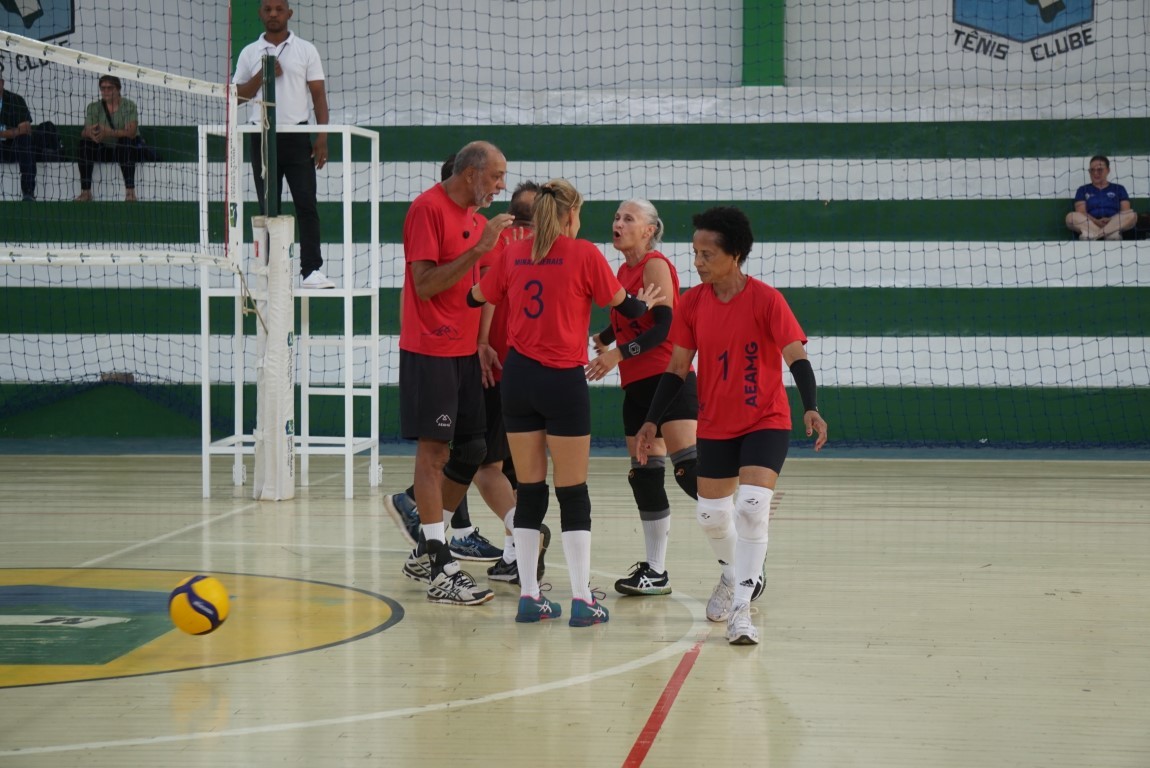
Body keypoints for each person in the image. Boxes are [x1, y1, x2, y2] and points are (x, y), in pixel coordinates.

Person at [467, 178, 664, 626]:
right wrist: (644, 302)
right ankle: (581, 600)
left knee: (530, 490)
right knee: (573, 493)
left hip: (518, 380)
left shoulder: (513, 253)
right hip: (562, 382)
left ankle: (529, 597)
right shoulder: (584, 254)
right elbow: (627, 308)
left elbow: (474, 296)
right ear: (571, 215)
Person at [634, 206, 828, 646]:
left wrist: (811, 407)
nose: (698, 262)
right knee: (711, 516)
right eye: (695, 253)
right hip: (716, 424)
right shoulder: (692, 304)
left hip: (765, 420)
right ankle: (733, 572)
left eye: (707, 255)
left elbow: (796, 357)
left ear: (735, 255)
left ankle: (742, 609)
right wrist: (650, 421)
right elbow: (677, 368)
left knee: (753, 508)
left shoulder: (766, 300)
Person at [393, 140, 514, 606]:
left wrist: (482, 342)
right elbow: (425, 285)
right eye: (496, 176)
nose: (500, 185)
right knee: (434, 454)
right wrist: (478, 249)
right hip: (431, 349)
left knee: (474, 448)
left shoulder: (479, 222)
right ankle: (441, 565)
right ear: (471, 173)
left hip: (464, 352)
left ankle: (427, 547)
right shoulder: (427, 209)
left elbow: (477, 289)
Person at [585, 199, 701, 597]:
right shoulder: (622, 271)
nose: (618, 222)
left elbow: (664, 327)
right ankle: (656, 571)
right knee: (645, 476)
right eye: (617, 216)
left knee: (688, 471)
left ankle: (744, 548)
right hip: (636, 386)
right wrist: (605, 336)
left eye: (628, 218)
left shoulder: (654, 265)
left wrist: (617, 353)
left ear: (649, 230)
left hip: (668, 379)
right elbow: (636, 316)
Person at [235, 0, 333, 289]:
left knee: (306, 203)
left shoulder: (306, 50)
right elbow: (237, 96)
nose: (274, 14)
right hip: (262, 136)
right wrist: (262, 76)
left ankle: (311, 270)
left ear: (289, 13)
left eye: (279, 9)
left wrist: (322, 136)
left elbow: (318, 95)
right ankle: (270, 270)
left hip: (297, 135)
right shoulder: (249, 52)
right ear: (260, 14)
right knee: (268, 207)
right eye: (268, 9)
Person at [74, 75, 138, 203]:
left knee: (125, 142)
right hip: (103, 149)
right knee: (85, 144)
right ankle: (86, 192)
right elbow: (85, 131)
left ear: (118, 89)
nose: (106, 91)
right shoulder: (94, 107)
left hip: (125, 151)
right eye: (103, 88)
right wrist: (90, 133)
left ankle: (130, 192)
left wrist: (109, 132)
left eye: (110, 88)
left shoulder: (128, 106)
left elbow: (131, 133)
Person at [1065, 155, 1137, 241]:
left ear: (1108, 170)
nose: (1095, 173)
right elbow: (1081, 212)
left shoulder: (1119, 188)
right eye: (1092, 170)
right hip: (1090, 224)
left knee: (1132, 215)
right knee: (1071, 217)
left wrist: (1110, 220)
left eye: (1099, 170)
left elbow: (1125, 211)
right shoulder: (1083, 190)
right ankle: (1106, 234)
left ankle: (1096, 235)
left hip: (1114, 223)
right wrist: (1096, 221)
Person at [0, 68, 37, 202]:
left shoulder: (15, 100)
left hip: (11, 148)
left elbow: (26, 128)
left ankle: (28, 192)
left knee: (25, 139)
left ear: (2, 83)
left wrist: (3, 133)